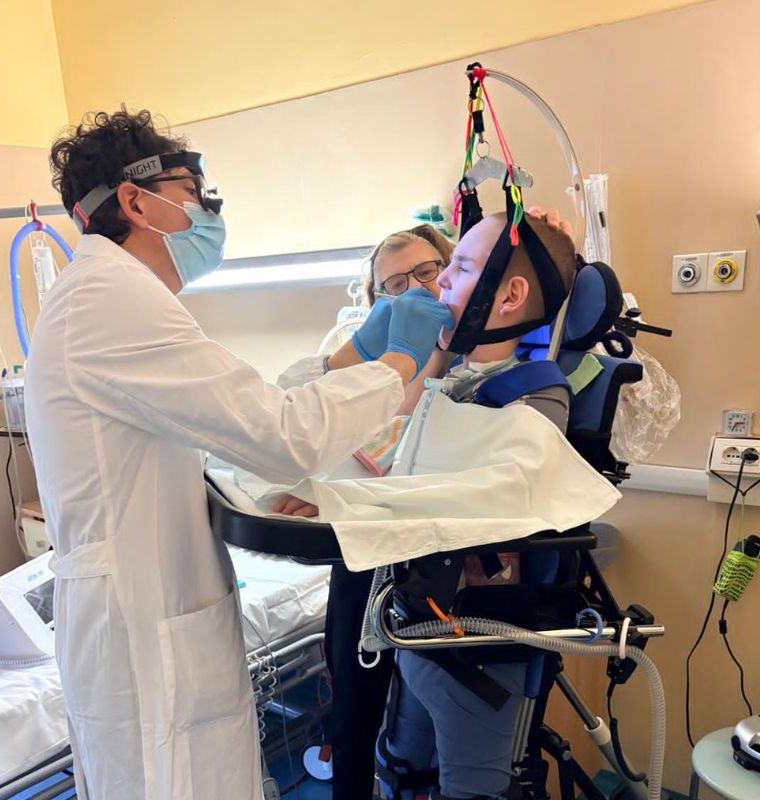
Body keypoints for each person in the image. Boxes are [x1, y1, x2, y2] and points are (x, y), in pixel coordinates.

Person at [23, 108, 453, 800]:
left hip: (151, 603)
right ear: (136, 201)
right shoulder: (111, 299)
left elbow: (233, 419)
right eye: (192, 192)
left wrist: (353, 355)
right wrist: (400, 360)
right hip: (141, 624)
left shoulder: (113, 296)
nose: (208, 210)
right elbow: (281, 434)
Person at [376, 207, 578, 800]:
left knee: (470, 787)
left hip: (477, 638)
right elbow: (390, 450)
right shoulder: (451, 381)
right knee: (402, 765)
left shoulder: (535, 394)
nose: (440, 280)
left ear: (510, 296)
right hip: (418, 621)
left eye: (460, 267)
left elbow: (489, 498)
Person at [274, 223, 454, 800]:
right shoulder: (369, 375)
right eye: (393, 286)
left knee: (436, 725)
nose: (413, 292)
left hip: (442, 569)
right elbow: (297, 421)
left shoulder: (474, 365)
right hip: (362, 558)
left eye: (426, 273)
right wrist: (325, 489)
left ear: (451, 273)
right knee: (353, 702)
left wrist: (336, 492)